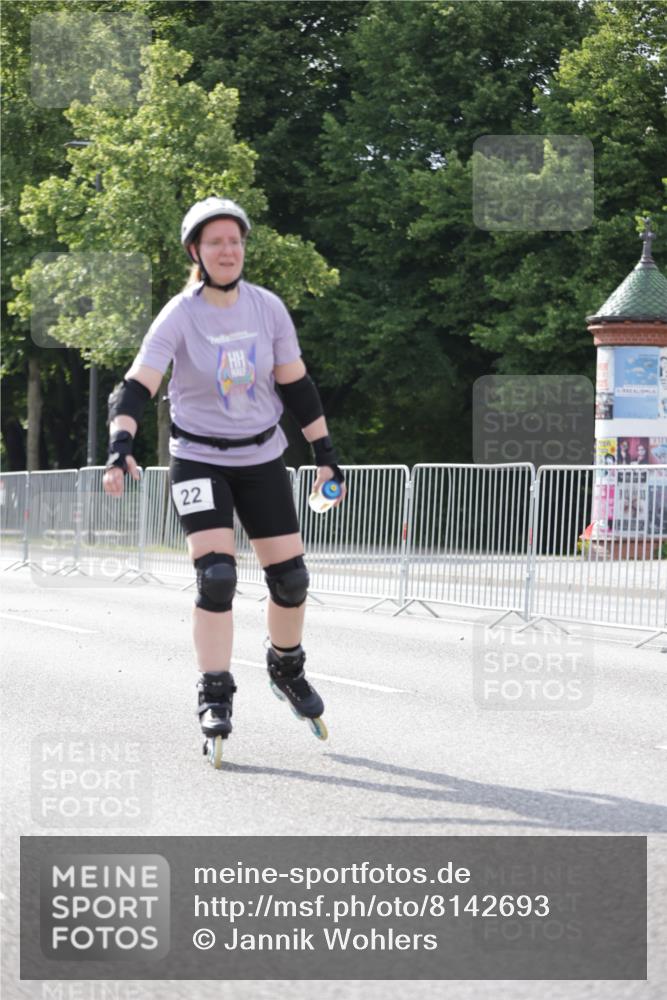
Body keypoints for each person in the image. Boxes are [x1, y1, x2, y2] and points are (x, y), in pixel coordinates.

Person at [102, 196, 346, 766]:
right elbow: (136, 384)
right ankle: (214, 693)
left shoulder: (267, 309)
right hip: (199, 459)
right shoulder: (180, 314)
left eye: (235, 241)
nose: (228, 250)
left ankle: (286, 666)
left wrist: (327, 453)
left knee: (290, 579)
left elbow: (296, 385)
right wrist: (120, 445)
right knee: (216, 578)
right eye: (215, 242)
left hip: (262, 457)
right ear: (196, 252)